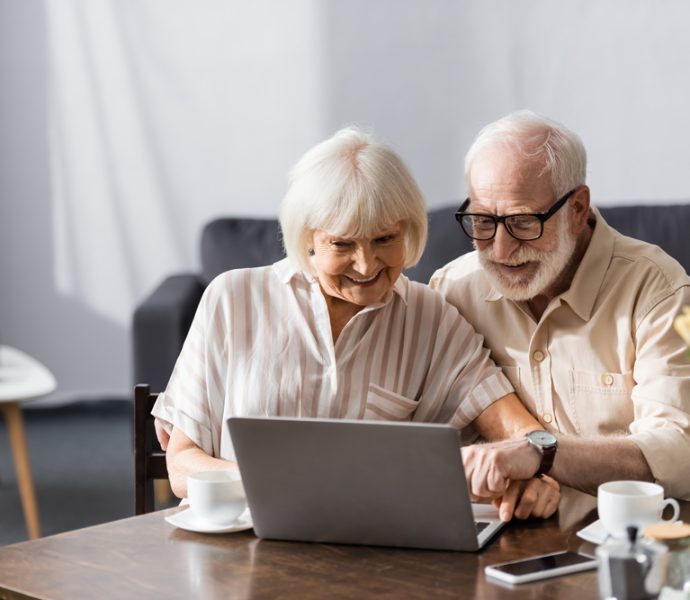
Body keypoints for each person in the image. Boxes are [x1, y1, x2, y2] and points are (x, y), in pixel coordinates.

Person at [152, 126, 560, 521]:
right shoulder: (231, 299)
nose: (366, 266)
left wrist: (537, 471)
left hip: (367, 558)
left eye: (384, 239)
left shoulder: (431, 317)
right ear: (307, 238)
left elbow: (519, 430)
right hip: (238, 550)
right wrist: (285, 485)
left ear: (410, 232)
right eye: (342, 244)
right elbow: (183, 467)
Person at [431, 110, 690, 500]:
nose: (501, 250)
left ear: (577, 209)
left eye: (523, 222)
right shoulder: (452, 290)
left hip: (614, 538)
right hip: (501, 537)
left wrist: (542, 454)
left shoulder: (661, 291)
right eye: (483, 221)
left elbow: (679, 452)